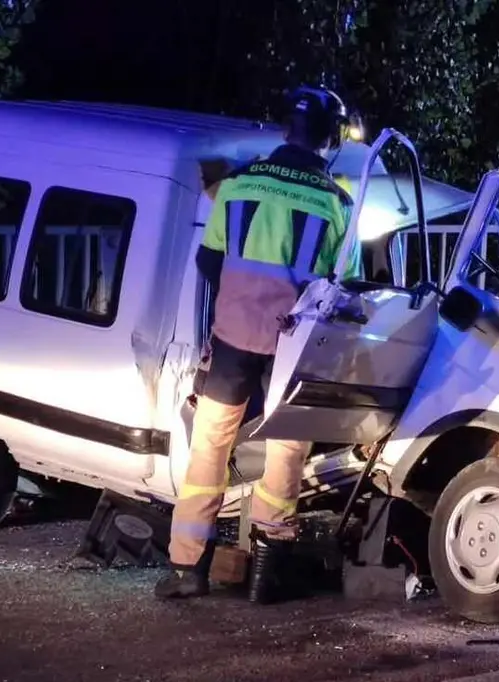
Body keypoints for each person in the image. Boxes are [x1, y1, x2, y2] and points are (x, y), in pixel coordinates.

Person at [155, 86, 363, 603]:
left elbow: (208, 263)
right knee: (287, 446)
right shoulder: (338, 205)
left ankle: (187, 569)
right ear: (330, 139)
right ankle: (267, 572)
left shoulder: (239, 185)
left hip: (232, 339)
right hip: (294, 348)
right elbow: (346, 289)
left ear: (285, 130)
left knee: (210, 444)